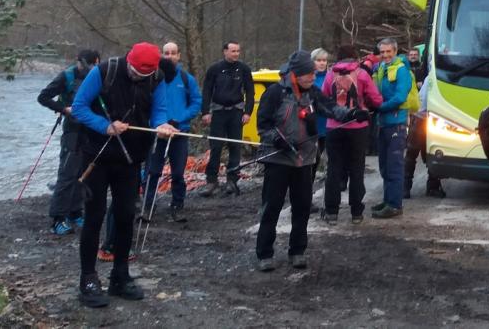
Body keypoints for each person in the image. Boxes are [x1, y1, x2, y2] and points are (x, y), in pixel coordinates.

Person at [71, 42, 173, 308]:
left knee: (126, 215)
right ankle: (88, 280)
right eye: (136, 72)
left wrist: (162, 124)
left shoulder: (157, 78)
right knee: (94, 216)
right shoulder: (104, 71)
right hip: (96, 155)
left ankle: (120, 275)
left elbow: (158, 111)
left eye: (144, 75)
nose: (138, 77)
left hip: (131, 157)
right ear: (129, 61)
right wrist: (104, 125)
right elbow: (79, 107)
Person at [254, 50, 367, 271]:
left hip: (304, 159)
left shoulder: (313, 93)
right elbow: (263, 126)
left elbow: (332, 109)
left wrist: (352, 114)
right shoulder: (275, 93)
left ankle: (297, 251)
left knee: (302, 207)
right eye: (308, 74)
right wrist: (275, 139)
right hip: (278, 159)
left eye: (313, 74)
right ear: (295, 74)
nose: (312, 77)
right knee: (272, 207)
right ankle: (264, 253)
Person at [37, 49, 101, 235]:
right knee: (67, 174)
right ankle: (57, 219)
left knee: (84, 174)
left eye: (93, 65)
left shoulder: (97, 76)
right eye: (86, 65)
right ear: (79, 62)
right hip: (72, 131)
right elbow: (43, 97)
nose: (88, 68)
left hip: (90, 130)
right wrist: (63, 109)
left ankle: (75, 212)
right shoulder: (66, 76)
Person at [320, 45, 382, 224]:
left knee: (334, 169)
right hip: (357, 127)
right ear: (354, 57)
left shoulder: (331, 74)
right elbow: (376, 99)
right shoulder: (362, 74)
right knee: (356, 169)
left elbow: (323, 98)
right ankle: (356, 212)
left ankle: (332, 212)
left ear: (338, 57)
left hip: (334, 126)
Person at [140, 42, 201, 224]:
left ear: (179, 55)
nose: (170, 56)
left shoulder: (185, 78)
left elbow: (196, 102)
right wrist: (157, 123)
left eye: (173, 53)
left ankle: (177, 205)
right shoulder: (154, 77)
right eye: (166, 53)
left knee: (178, 172)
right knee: (152, 171)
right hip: (157, 132)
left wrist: (179, 118)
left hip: (179, 131)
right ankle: (148, 206)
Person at [200, 41, 255, 197]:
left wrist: (248, 112)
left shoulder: (244, 69)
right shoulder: (214, 69)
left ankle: (232, 180)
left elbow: (250, 92)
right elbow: (207, 91)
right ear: (225, 51)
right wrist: (205, 112)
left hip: (237, 112)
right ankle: (211, 181)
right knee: (216, 147)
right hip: (218, 112)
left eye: (238, 51)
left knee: (235, 147)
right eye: (232, 51)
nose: (236, 54)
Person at [370, 37, 413, 218]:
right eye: (382, 52)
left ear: (395, 52)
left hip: (396, 122)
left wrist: (379, 107)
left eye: (389, 52)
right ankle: (388, 200)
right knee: (385, 166)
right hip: (384, 122)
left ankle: (395, 205)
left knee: (394, 165)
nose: (385, 55)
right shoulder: (382, 68)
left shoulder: (401, 70)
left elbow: (400, 97)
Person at [403, 54, 444, 200]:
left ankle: (405, 187)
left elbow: (421, 100)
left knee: (411, 155)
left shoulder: (429, 79)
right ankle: (432, 187)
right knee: (431, 154)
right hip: (430, 121)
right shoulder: (436, 79)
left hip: (420, 119)